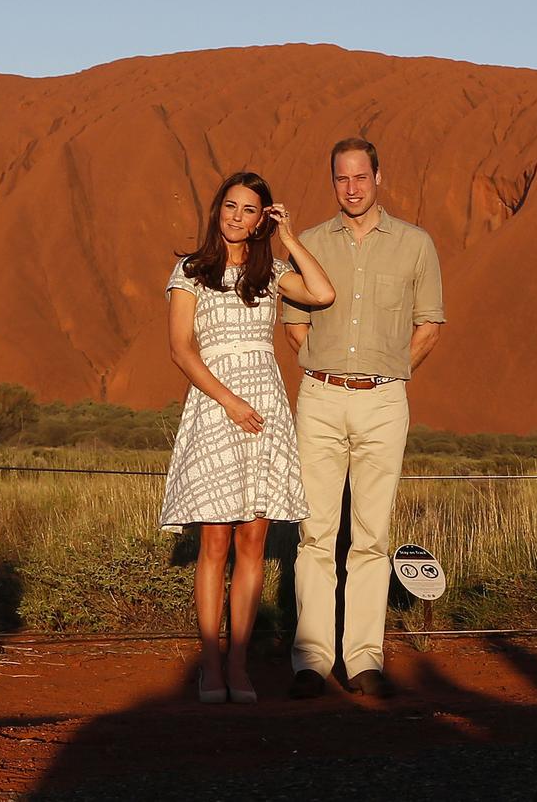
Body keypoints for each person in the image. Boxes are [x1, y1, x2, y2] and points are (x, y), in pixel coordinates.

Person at [161, 171, 335, 705]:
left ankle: (239, 664)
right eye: (231, 206)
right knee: (214, 541)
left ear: (262, 219)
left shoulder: (270, 271)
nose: (237, 217)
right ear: (219, 210)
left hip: (265, 410)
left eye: (249, 210)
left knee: (254, 541)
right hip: (218, 409)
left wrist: (291, 240)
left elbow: (323, 293)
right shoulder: (191, 271)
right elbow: (181, 349)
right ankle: (209, 667)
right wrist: (229, 401)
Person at [282, 137, 444, 699]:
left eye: (360, 177)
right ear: (333, 182)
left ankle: (364, 657)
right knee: (315, 534)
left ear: (379, 176)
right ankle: (311, 658)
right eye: (341, 179)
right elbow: (295, 322)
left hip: (383, 399)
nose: (351, 188)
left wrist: (395, 373)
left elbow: (429, 324)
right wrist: (321, 366)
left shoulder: (415, 245)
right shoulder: (309, 244)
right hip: (321, 397)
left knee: (372, 536)